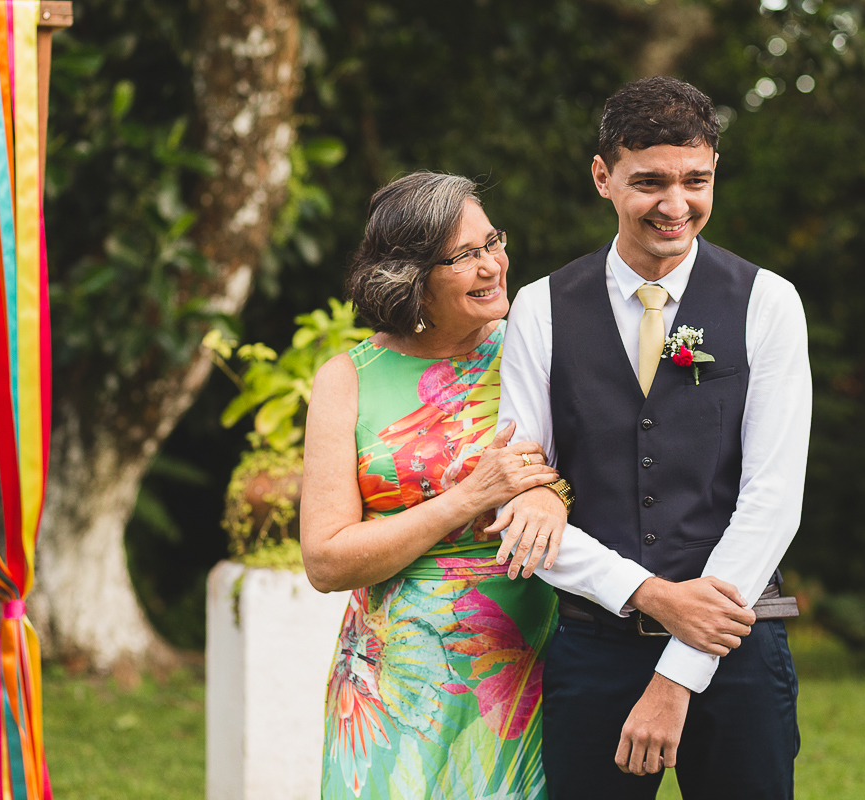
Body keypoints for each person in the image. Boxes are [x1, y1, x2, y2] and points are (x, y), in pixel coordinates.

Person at [494, 77, 812, 800]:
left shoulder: (768, 302)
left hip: (735, 645)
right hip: (593, 646)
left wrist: (678, 672)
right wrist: (650, 595)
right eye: (650, 182)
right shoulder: (540, 309)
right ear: (603, 176)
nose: (676, 206)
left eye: (695, 180)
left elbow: (773, 500)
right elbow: (523, 500)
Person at [300, 172, 564, 800]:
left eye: (491, 241)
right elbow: (327, 559)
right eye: (464, 256)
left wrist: (552, 493)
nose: (493, 264)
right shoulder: (348, 381)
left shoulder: (541, 351)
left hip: (529, 665)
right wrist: (468, 497)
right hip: (395, 678)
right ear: (409, 278)